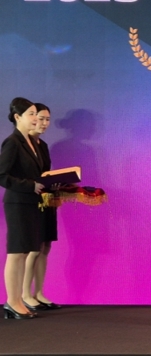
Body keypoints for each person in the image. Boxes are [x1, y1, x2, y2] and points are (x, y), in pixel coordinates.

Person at [0, 98, 44, 320]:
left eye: (36, 113)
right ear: (18, 117)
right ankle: (12, 301)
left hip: (30, 203)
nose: (36, 118)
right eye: (31, 114)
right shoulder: (13, 142)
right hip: (17, 203)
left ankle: (16, 300)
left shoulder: (32, 142)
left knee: (24, 251)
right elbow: (2, 175)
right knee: (16, 253)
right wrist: (29, 185)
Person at [22, 103, 61, 311]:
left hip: (46, 199)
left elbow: (45, 173)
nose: (44, 123)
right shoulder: (21, 144)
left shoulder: (43, 145)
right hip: (29, 201)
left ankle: (39, 292)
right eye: (40, 118)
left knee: (45, 246)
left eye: (47, 119)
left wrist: (54, 183)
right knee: (33, 248)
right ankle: (24, 294)